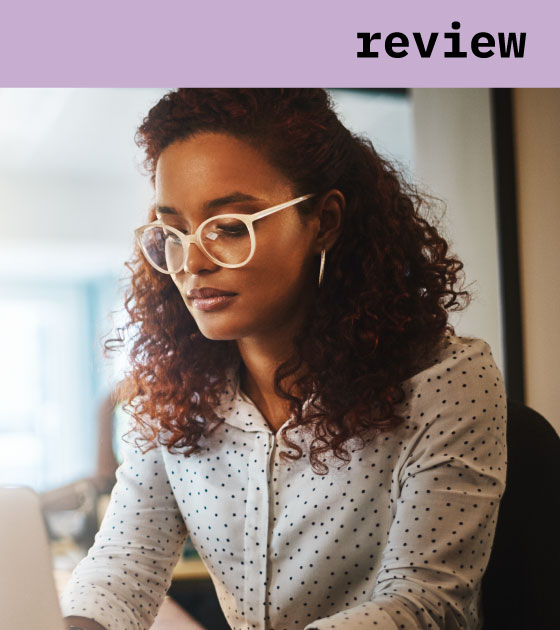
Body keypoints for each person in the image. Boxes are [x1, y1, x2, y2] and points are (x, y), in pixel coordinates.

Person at [60, 89, 507, 630]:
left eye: (230, 227)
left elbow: (424, 605)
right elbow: (122, 568)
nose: (191, 262)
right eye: (173, 233)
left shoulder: (446, 380)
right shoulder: (179, 394)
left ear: (324, 222)